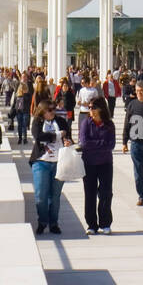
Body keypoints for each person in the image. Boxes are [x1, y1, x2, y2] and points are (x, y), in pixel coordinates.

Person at [28, 100, 73, 235]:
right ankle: (42, 221)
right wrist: (58, 135)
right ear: (42, 111)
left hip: (59, 162)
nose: (53, 112)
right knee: (40, 196)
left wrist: (67, 141)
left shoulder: (61, 121)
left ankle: (54, 223)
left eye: (54, 109)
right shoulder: (37, 122)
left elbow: (69, 137)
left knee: (54, 196)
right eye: (50, 110)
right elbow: (39, 137)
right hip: (41, 162)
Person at [78, 97, 115, 234]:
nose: (91, 110)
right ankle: (91, 225)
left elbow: (110, 145)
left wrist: (95, 144)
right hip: (89, 163)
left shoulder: (109, 124)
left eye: (93, 107)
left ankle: (105, 223)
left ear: (100, 108)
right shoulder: (86, 123)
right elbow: (84, 143)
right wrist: (100, 143)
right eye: (89, 107)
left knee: (106, 193)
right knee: (90, 194)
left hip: (105, 163)